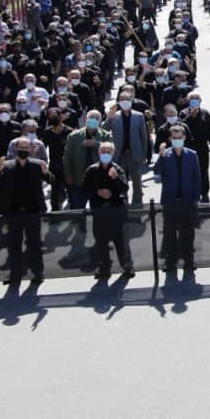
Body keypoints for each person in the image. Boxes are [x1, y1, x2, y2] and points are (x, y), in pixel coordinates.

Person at [0, 137, 50, 284]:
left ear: (31, 149)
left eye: (26, 148)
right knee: (14, 245)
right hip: (13, 212)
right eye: (21, 147)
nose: (23, 150)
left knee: (34, 244)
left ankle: (38, 273)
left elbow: (52, 181)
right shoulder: (6, 165)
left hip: (33, 211)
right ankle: (15, 274)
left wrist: (46, 172)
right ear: (16, 149)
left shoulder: (37, 165)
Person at [83, 141, 134, 279]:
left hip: (116, 211)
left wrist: (115, 179)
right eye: (103, 151)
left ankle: (127, 266)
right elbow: (85, 189)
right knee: (101, 241)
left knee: (121, 241)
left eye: (108, 152)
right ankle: (104, 268)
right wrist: (97, 192)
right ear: (99, 153)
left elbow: (125, 188)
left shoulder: (117, 170)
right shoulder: (92, 170)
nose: (105, 154)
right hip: (99, 211)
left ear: (113, 153)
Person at [154, 125, 202, 271]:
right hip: (170, 201)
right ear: (170, 139)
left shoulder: (192, 154)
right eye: (174, 138)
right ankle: (170, 261)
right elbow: (157, 171)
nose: (177, 140)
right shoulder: (165, 154)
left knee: (188, 233)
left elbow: (197, 177)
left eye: (179, 138)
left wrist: (196, 196)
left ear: (184, 138)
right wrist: (161, 156)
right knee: (169, 233)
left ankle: (189, 260)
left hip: (187, 200)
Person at [106, 91, 148, 205]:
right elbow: (103, 131)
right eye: (122, 99)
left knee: (137, 183)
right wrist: (108, 118)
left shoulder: (139, 116)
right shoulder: (114, 116)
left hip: (135, 154)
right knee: (120, 182)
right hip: (119, 155)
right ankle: (122, 204)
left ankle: (137, 205)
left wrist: (144, 154)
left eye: (128, 99)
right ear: (119, 102)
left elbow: (144, 136)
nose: (125, 102)